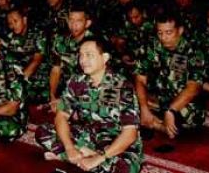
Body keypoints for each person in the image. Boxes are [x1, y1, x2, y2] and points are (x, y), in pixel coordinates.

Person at [36, 37, 142, 173]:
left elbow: (130, 133)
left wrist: (99, 158)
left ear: (105, 58)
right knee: (43, 131)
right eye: (81, 55)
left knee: (127, 168)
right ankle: (82, 157)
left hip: (115, 141)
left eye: (89, 55)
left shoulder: (122, 86)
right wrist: (70, 148)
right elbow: (61, 115)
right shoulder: (76, 81)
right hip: (87, 136)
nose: (83, 60)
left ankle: (78, 158)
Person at [134, 14, 206, 138]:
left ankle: (154, 124)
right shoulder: (151, 46)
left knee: (193, 119)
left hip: (180, 99)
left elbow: (194, 87)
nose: (163, 38)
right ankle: (158, 124)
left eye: (168, 32)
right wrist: (144, 107)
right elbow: (140, 79)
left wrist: (171, 110)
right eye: (160, 33)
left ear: (180, 30)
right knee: (123, 100)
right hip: (156, 97)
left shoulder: (193, 50)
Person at [49, 7, 95, 112]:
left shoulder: (95, 43)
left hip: (89, 91)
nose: (73, 25)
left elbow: (95, 78)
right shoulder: (60, 41)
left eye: (78, 21)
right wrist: (52, 95)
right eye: (71, 20)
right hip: (66, 89)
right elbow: (56, 70)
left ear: (87, 23)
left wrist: (67, 99)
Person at [3, 8, 49, 103]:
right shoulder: (9, 38)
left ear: (24, 20)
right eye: (10, 23)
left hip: (38, 77)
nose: (13, 26)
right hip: (18, 77)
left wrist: (20, 83)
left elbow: (36, 61)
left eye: (15, 21)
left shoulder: (39, 35)